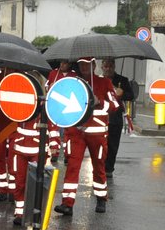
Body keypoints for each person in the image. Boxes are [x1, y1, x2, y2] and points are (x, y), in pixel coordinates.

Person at [54, 58, 116, 216]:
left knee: (98, 166)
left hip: (96, 132)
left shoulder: (104, 83)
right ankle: (67, 203)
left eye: (87, 64)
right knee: (72, 166)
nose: (84, 67)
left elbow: (115, 105)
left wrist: (100, 102)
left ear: (94, 65)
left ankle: (101, 197)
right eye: (81, 64)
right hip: (76, 131)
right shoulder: (74, 82)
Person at [7, 116, 62, 227]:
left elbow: (52, 124)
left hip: (38, 149)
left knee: (36, 183)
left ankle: (34, 212)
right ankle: (20, 212)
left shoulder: (45, 106)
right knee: (20, 181)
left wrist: (54, 143)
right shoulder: (23, 102)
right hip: (20, 148)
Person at [103, 58, 136, 187]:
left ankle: (109, 168)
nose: (108, 68)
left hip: (115, 118)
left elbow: (131, 96)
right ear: (102, 67)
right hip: (101, 117)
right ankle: (100, 166)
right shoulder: (99, 80)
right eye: (106, 66)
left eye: (110, 66)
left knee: (112, 145)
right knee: (101, 145)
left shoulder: (122, 80)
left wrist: (121, 93)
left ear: (114, 67)